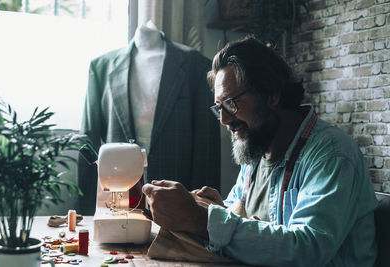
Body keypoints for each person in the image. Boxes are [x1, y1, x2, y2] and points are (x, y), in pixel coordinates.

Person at [142, 36, 377, 266]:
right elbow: (243, 222)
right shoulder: (256, 146)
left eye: (231, 104)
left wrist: (199, 218)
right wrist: (216, 207)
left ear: (271, 94)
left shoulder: (332, 155)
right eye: (219, 107)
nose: (224, 119)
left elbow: (308, 249)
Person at [77, 21, 220, 215]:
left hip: (177, 197)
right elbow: (89, 138)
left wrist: (204, 211)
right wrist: (84, 211)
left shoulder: (195, 65)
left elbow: (206, 145)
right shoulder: (101, 67)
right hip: (116, 194)